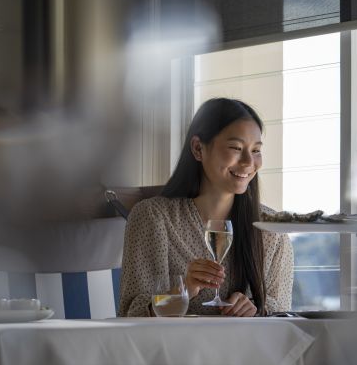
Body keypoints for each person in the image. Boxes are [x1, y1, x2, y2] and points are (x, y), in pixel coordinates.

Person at [118, 98, 294, 317]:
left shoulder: (272, 230)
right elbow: (131, 314)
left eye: (256, 150)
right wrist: (185, 291)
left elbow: (285, 315)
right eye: (236, 148)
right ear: (198, 148)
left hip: (245, 350)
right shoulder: (153, 218)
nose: (249, 161)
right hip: (173, 350)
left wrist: (256, 309)